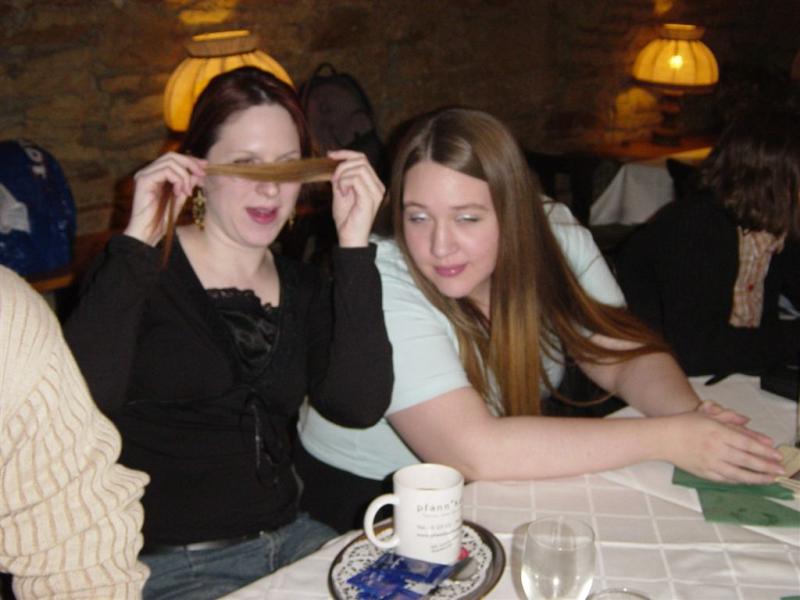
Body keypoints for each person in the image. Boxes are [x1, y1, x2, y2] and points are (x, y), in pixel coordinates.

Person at [296, 107, 786, 533]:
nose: (440, 246)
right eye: (418, 217)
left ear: (513, 212)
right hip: (371, 501)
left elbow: (619, 353)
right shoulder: (383, 274)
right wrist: (671, 438)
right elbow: (473, 451)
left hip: (499, 478)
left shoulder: (553, 233)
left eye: (467, 218)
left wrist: (691, 418)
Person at [63, 67, 392, 599]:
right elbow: (75, 406)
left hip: (292, 539)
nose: (270, 187)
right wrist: (139, 240)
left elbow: (358, 405)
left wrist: (354, 248)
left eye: (286, 166)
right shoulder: (142, 273)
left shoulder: (305, 286)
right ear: (198, 170)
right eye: (245, 165)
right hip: (169, 565)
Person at [0, 265, 149, 599]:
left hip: (272, 535)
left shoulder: (6, 311)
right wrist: (134, 254)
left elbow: (77, 555)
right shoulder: (137, 271)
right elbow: (97, 388)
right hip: (184, 559)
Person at [615, 109, 800, 377]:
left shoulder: (776, 225)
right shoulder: (695, 227)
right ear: (772, 181)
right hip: (653, 377)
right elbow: (696, 351)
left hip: (732, 372)